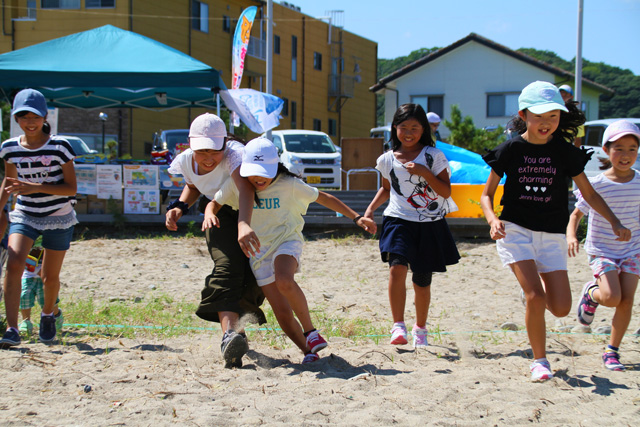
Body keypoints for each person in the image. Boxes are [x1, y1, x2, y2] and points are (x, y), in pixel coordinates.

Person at [480, 81, 631, 382]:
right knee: (536, 297)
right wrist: (492, 220)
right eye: (540, 115)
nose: (547, 123)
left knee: (560, 308)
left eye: (554, 116)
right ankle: (540, 361)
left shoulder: (564, 152)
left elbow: (588, 194)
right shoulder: (511, 148)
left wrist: (614, 221)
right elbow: (486, 194)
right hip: (515, 230)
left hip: (552, 235)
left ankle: (570, 295)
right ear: (524, 115)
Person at [208, 137, 376, 363]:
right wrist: (210, 213)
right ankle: (309, 352)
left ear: (276, 166)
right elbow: (214, 202)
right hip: (259, 254)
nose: (259, 178)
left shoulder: (289, 184)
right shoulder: (239, 185)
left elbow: (325, 197)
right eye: (254, 172)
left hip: (286, 241)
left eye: (264, 172)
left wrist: (356, 217)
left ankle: (311, 332)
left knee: (284, 280)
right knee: (282, 313)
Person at [165, 112, 266, 368]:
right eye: (202, 152)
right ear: (190, 145)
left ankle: (238, 332)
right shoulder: (186, 160)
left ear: (224, 144)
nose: (208, 159)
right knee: (227, 268)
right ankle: (229, 336)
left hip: (250, 212)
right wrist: (180, 207)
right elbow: (194, 184)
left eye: (214, 152)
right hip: (216, 215)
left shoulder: (234, 154)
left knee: (254, 275)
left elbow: (245, 189)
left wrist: (244, 224)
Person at [364, 103, 460, 349]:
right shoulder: (386, 159)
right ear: (394, 128)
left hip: (429, 223)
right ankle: (398, 324)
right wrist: (370, 210)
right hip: (398, 219)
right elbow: (387, 188)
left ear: (424, 129)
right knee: (397, 268)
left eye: (415, 128)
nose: (408, 132)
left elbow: (446, 191)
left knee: (422, 279)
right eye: (403, 127)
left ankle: (420, 328)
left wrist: (424, 172)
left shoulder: (433, 156)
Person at [0, 88, 78, 348]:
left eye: (34, 116)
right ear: (16, 119)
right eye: (23, 116)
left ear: (45, 116)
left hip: (59, 215)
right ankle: (12, 328)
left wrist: (36, 188)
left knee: (49, 276)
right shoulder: (9, 148)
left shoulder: (60, 147)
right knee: (14, 264)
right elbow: (8, 183)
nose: (29, 122)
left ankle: (47, 315)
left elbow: (71, 188)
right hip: (25, 213)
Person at [567, 120, 640, 371]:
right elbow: (576, 215)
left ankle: (612, 351)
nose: (626, 155)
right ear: (606, 150)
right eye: (619, 148)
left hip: (633, 250)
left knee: (627, 301)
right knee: (611, 297)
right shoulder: (596, 184)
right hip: (603, 250)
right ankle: (591, 294)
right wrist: (571, 236)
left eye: (632, 148)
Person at [19, 245, 64, 335]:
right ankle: (26, 321)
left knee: (47, 300)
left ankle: (56, 315)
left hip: (46, 276)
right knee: (24, 296)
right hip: (28, 275)